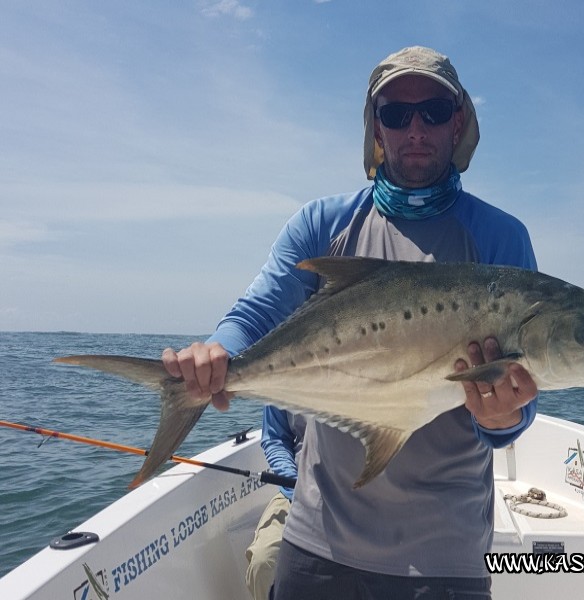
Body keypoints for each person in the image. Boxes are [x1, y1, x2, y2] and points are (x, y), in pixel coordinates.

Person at [162, 46, 539, 599]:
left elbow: (515, 409)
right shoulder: (323, 225)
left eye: (433, 111)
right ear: (375, 126)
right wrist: (217, 354)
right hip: (318, 544)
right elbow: (258, 312)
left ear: (458, 121)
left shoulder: (502, 239)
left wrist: (505, 418)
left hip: (446, 558)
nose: (415, 128)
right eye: (395, 113)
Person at [245, 407, 305, 599]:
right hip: (298, 492)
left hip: (371, 496)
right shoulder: (284, 379)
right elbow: (275, 438)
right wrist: (295, 487)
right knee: (264, 562)